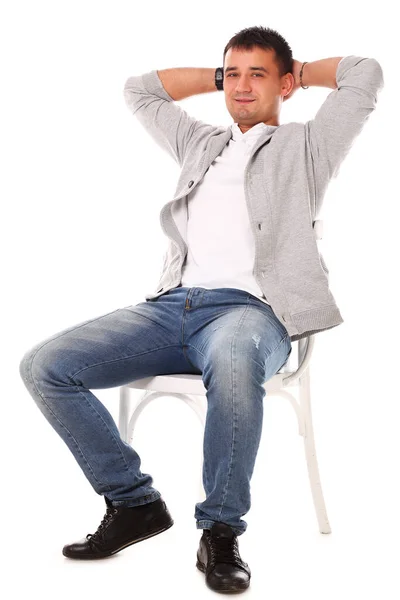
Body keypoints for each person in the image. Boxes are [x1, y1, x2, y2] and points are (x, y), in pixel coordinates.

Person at [19, 25, 383, 594]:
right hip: (172, 309)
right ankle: (134, 502)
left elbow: (366, 73)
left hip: (251, 314)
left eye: (256, 75)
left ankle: (219, 532)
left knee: (236, 365)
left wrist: (293, 72)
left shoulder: (310, 147)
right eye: (230, 74)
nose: (240, 86)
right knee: (45, 366)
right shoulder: (201, 142)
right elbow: (140, 91)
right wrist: (227, 77)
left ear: (286, 85)